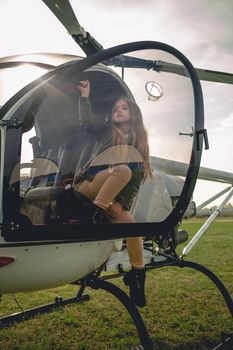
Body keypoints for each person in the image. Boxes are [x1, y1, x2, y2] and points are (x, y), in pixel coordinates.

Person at [75, 80, 152, 307]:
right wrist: (85, 97)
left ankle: (137, 275)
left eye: (124, 108)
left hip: (107, 197)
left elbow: (136, 177)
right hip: (88, 186)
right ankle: (95, 215)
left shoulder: (139, 142)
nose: (118, 110)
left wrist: (121, 204)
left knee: (132, 227)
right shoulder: (107, 131)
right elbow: (87, 123)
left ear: (134, 115)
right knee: (123, 170)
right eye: (116, 108)